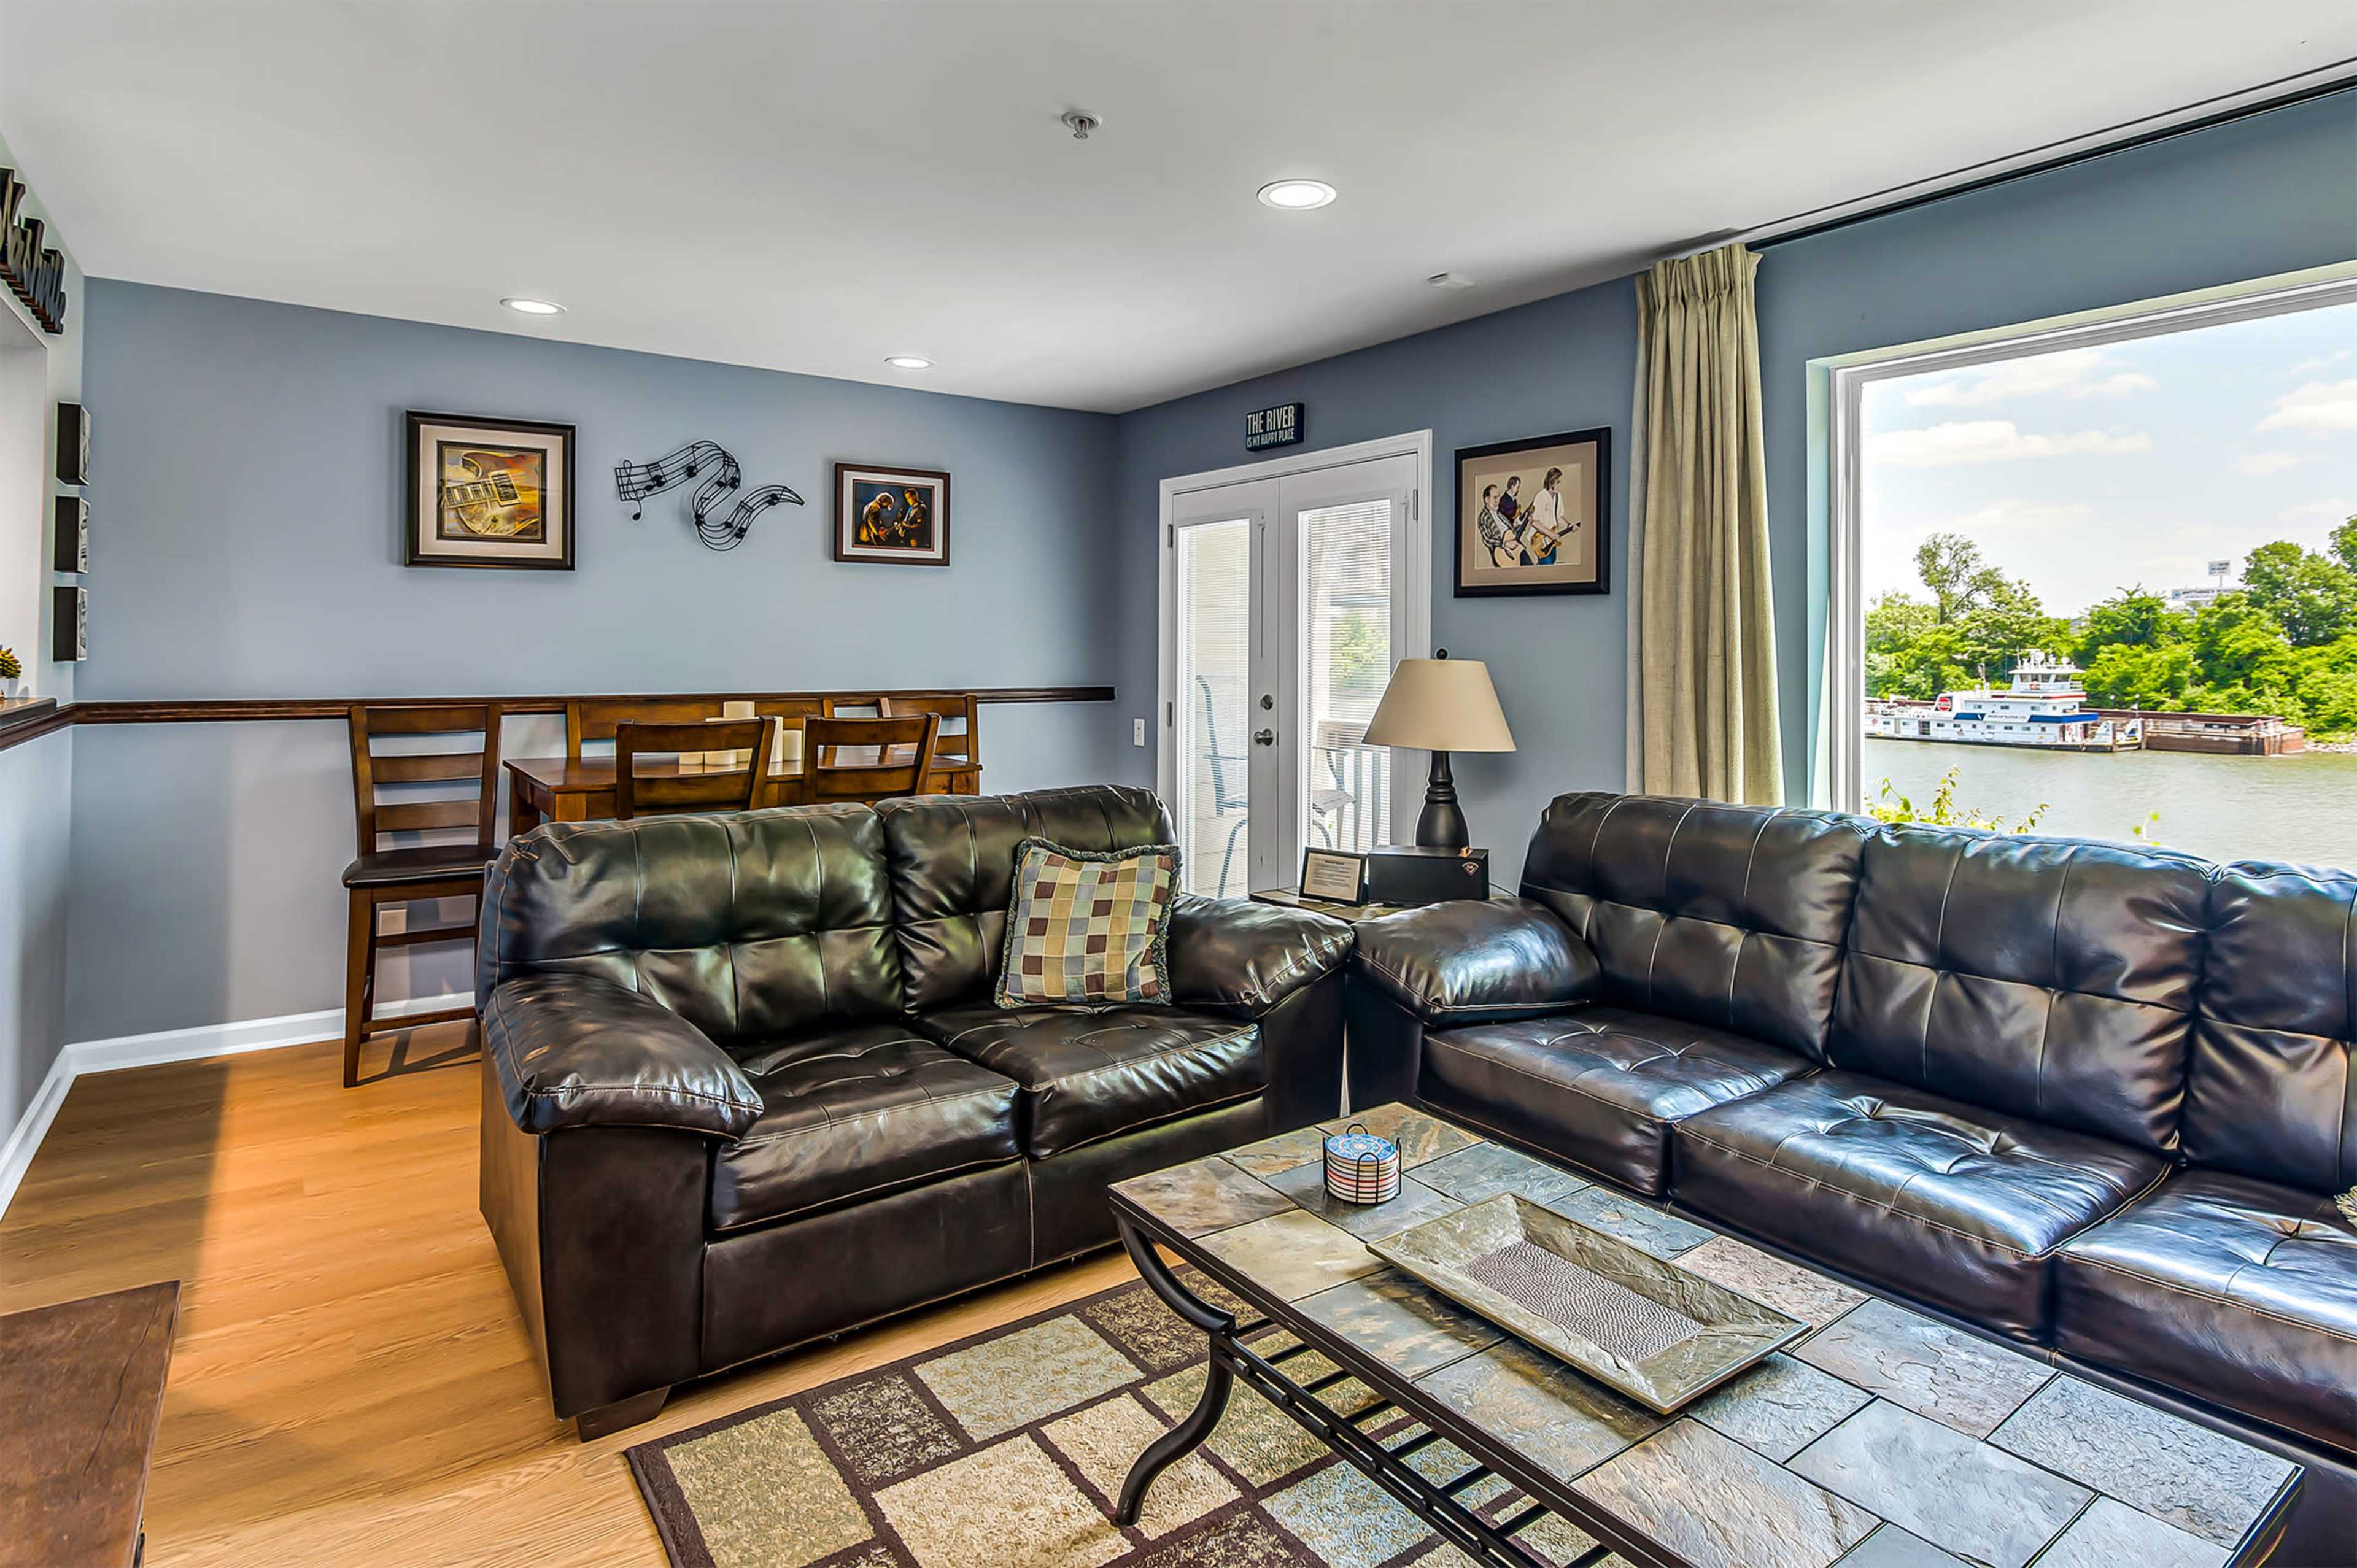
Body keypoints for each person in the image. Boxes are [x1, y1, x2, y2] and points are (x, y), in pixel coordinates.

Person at [1523, 466, 1569, 566]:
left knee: (1551, 562)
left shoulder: (1558, 496)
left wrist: (1569, 526)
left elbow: (1559, 517)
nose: (1560, 485)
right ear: (1552, 481)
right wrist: (1550, 534)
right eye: (1558, 482)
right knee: (1546, 564)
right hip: (1539, 539)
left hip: (1551, 538)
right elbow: (1534, 522)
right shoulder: (1541, 496)